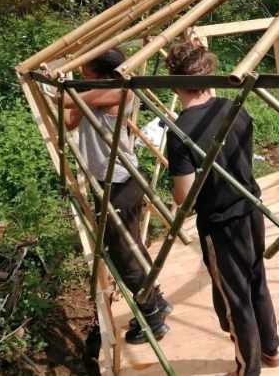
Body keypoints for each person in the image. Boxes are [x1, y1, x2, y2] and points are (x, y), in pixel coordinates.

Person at [164, 41, 279, 376]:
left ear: (174, 83)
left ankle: (249, 368)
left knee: (234, 295)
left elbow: (184, 198)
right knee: (256, 278)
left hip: (220, 221)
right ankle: (270, 350)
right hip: (251, 210)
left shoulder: (181, 131)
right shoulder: (235, 109)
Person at [63, 49, 171, 344]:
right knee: (132, 246)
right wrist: (69, 88)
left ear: (98, 71)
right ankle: (157, 301)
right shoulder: (96, 92)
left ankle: (151, 317)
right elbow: (70, 121)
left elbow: (66, 99)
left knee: (124, 254)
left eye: (84, 67)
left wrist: (63, 85)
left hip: (121, 184)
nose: (81, 72)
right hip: (108, 183)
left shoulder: (117, 91)